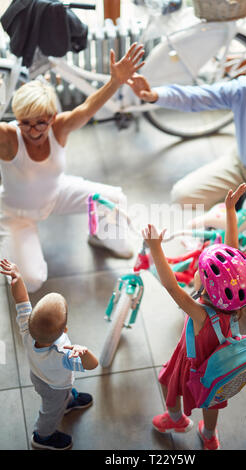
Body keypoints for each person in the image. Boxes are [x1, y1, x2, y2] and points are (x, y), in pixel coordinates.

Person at [0, 42, 145, 293]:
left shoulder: (60, 128)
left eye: (41, 123)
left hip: (56, 194)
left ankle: (99, 237)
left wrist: (115, 81)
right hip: (15, 212)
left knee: (113, 199)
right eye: (26, 123)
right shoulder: (9, 138)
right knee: (32, 282)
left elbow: (87, 108)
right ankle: (9, 244)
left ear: (53, 117)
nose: (33, 131)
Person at [129, 55, 246, 252]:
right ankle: (230, 209)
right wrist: (154, 95)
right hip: (242, 165)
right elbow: (198, 96)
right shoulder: (241, 90)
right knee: (182, 196)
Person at [141, 182, 246, 450]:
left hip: (191, 362)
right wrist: (230, 211)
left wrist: (155, 247)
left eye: (199, 273)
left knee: (167, 382)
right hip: (218, 367)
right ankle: (210, 435)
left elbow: (171, 286)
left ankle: (175, 418)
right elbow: (232, 252)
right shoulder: (233, 304)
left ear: (205, 288)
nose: (195, 272)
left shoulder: (201, 313)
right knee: (211, 401)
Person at [0, 257, 99, 450]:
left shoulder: (26, 328)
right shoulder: (63, 354)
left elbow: (21, 299)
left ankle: (69, 401)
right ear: (65, 331)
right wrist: (84, 352)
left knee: (61, 397)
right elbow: (92, 364)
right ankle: (43, 436)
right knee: (51, 412)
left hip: (39, 376)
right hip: (56, 387)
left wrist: (18, 279)